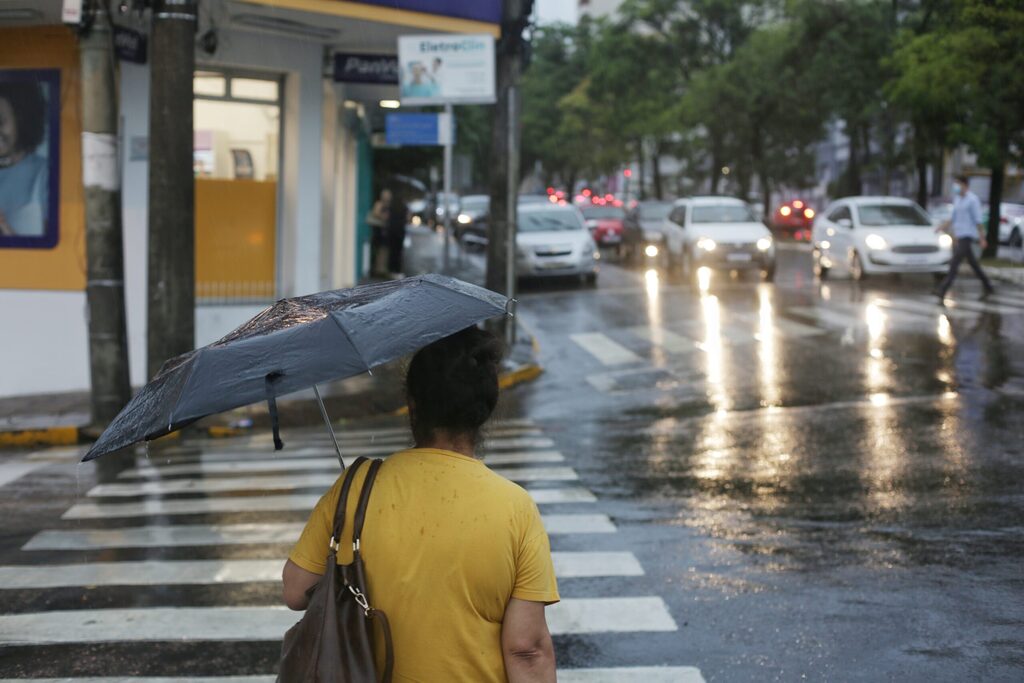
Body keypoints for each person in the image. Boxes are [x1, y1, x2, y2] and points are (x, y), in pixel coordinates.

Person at [282, 327, 559, 682]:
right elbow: (526, 649)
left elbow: (295, 591)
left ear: (412, 405)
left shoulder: (355, 488)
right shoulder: (516, 508)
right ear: (486, 408)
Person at [935, 175, 995, 301]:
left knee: (954, 262)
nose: (955, 186)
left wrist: (982, 238)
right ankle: (988, 286)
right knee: (973, 264)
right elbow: (953, 218)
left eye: (958, 184)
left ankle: (942, 289)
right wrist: (941, 227)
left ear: (965, 185)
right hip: (959, 236)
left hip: (967, 236)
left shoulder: (973, 200)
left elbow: (978, 220)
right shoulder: (957, 199)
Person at [0, 81, 48, 237]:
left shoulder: (45, 172)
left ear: (21, 119)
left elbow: (57, 248)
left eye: (0, 122)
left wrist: (4, 229)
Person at [367, 188, 391, 276]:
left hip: (384, 231)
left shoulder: (388, 205)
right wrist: (383, 216)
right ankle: (376, 269)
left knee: (384, 250)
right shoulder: (379, 204)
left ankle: (381, 269)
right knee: (377, 250)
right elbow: (376, 213)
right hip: (378, 230)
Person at [385, 188, 409, 278]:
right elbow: (407, 218)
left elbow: (387, 217)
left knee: (392, 252)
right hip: (400, 231)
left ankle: (391, 270)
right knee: (398, 252)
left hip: (391, 230)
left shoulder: (391, 206)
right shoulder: (404, 207)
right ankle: (397, 271)